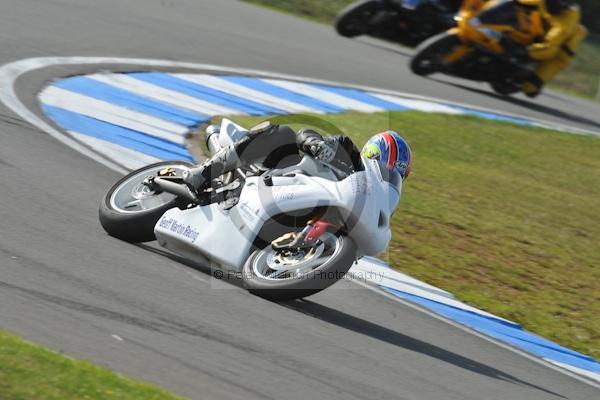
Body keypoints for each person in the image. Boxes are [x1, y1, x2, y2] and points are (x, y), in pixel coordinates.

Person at [183, 123, 412, 193]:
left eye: (396, 174)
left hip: (305, 204)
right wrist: (316, 144)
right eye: (386, 166)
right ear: (373, 153)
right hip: (276, 176)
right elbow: (305, 134)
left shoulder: (372, 200)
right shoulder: (347, 149)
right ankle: (203, 171)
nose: (387, 175)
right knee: (284, 134)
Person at [522, 0, 588, 97]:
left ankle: (531, 81)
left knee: (529, 88)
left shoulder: (568, 17)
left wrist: (524, 51)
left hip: (559, 53)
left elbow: (549, 46)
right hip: (545, 33)